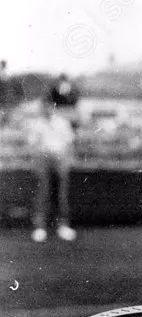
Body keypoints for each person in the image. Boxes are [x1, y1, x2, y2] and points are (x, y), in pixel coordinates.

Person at [26, 98, 77, 243]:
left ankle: (63, 226)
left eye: (50, 106)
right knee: (42, 192)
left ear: (54, 107)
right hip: (43, 159)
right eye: (45, 107)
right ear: (42, 108)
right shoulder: (36, 124)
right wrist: (37, 161)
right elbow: (32, 144)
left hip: (60, 159)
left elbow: (69, 142)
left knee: (61, 193)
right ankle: (40, 228)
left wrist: (66, 160)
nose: (48, 109)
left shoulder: (62, 122)